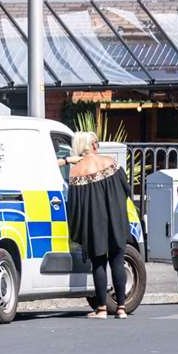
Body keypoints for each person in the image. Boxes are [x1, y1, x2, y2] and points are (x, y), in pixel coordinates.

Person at [66, 131, 131, 319]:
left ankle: (101, 309)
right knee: (118, 262)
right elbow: (126, 189)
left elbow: (74, 205)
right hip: (115, 219)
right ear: (93, 145)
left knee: (98, 263)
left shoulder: (76, 171)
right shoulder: (111, 163)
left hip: (94, 224)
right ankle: (121, 308)